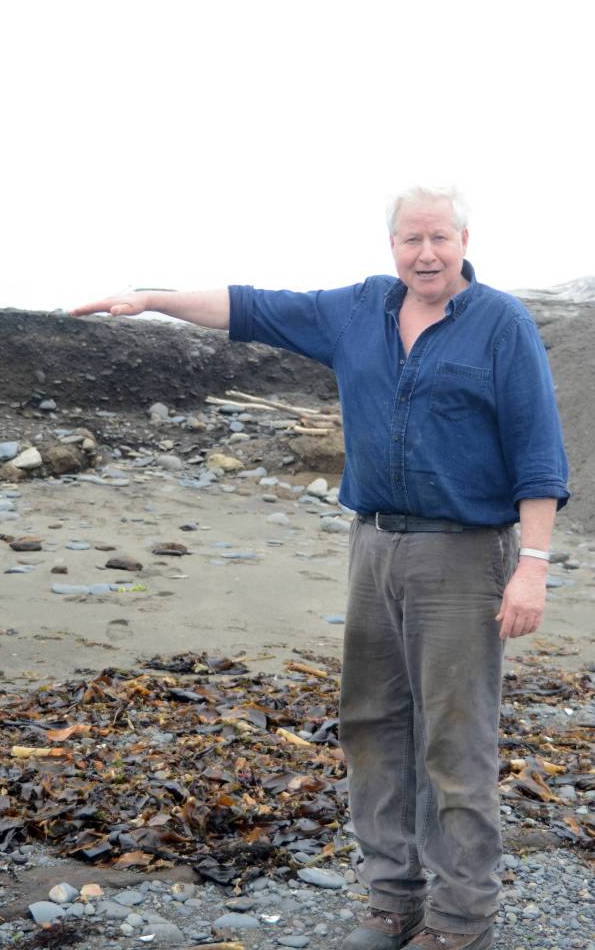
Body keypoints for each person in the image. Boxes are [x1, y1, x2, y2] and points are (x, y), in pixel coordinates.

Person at [71, 186, 569, 950]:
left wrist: (530, 566)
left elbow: (538, 450)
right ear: (392, 246)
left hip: (463, 555)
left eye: (439, 237)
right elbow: (251, 307)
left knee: (454, 736)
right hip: (372, 546)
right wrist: (151, 298)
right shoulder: (358, 310)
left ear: (464, 239)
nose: (425, 253)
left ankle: (461, 916)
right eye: (411, 240)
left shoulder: (500, 324)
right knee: (370, 723)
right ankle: (390, 899)